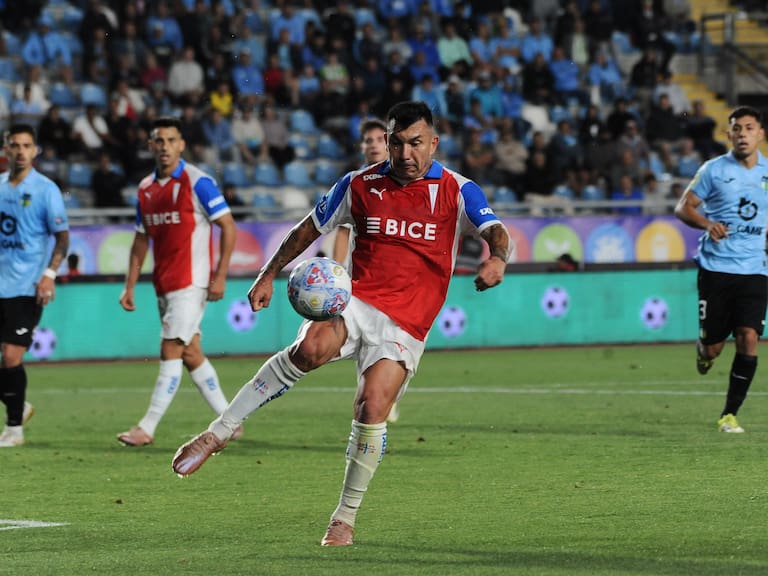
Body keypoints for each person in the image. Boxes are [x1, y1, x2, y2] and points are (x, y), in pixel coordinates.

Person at [171, 101, 511, 546]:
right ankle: (218, 432)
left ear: (434, 143)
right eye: (396, 143)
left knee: (372, 407)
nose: (405, 154)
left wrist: (498, 258)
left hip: (407, 323)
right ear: (387, 142)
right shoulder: (358, 184)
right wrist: (268, 274)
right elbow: (308, 229)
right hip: (357, 301)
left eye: (415, 143)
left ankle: (344, 517)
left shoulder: (458, 190)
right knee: (309, 349)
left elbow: (495, 229)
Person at [116, 116, 241, 447]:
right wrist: (130, 285)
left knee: (171, 347)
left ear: (181, 144)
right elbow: (141, 239)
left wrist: (219, 276)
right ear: (150, 146)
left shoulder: (198, 182)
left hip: (192, 282)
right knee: (191, 352)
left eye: (171, 140)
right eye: (159, 141)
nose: (165, 147)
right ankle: (231, 420)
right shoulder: (145, 189)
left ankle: (147, 427)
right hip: (163, 283)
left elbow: (228, 226)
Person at [674, 106, 768, 434]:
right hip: (716, 268)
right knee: (713, 347)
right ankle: (704, 351)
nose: (743, 134)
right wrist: (707, 224)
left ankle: (729, 414)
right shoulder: (713, 170)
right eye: (737, 128)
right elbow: (683, 207)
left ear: (760, 134)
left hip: (755, 268)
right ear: (728, 135)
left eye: (749, 128)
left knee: (749, 336)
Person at [0, 124, 70, 447]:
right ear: (6, 149)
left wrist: (49, 274)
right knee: (8, 364)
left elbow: (62, 237)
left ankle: (14, 428)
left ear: (35, 150)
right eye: (15, 145)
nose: (20, 151)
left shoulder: (45, 189)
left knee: (11, 357)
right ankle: (18, 402)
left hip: (27, 287)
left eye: (26, 145)